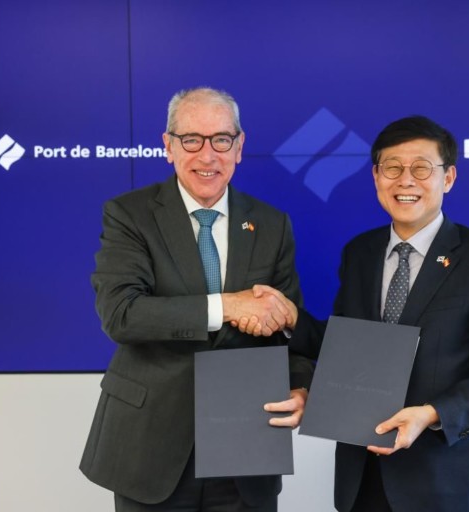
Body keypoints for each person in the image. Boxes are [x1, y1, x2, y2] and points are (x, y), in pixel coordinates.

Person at [242, 115, 469, 511]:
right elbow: (348, 346)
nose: (406, 181)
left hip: (446, 480)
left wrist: (431, 414)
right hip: (364, 476)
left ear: (448, 178)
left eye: (421, 168)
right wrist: (293, 319)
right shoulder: (360, 253)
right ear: (376, 177)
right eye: (392, 168)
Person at [79, 87, 312, 512]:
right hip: (151, 447)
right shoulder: (129, 215)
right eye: (191, 140)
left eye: (221, 139)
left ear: (239, 147)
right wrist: (228, 305)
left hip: (247, 446)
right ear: (168, 146)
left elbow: (285, 323)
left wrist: (300, 386)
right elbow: (122, 314)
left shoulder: (272, 223)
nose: (208, 155)